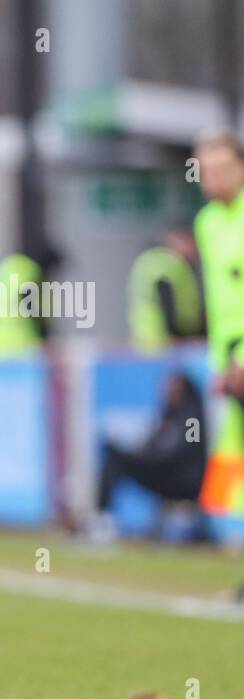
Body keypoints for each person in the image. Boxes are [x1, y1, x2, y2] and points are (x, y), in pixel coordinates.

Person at [192, 130, 244, 523]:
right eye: (206, 171)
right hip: (230, 367)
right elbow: (218, 300)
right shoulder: (207, 223)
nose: (214, 179)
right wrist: (220, 364)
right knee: (234, 474)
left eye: (222, 169)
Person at [85, 372, 206, 543]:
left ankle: (102, 523)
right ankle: (101, 520)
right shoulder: (167, 416)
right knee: (115, 459)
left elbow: (184, 453)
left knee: (118, 460)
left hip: (183, 481)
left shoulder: (192, 420)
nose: (168, 392)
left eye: (173, 388)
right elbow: (153, 448)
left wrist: (142, 458)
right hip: (163, 472)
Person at [126, 227, 203, 354]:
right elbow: (168, 307)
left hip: (146, 342)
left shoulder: (151, 261)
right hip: (167, 344)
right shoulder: (167, 265)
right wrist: (181, 337)